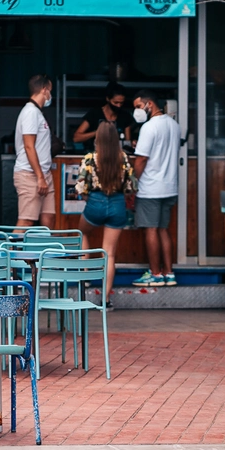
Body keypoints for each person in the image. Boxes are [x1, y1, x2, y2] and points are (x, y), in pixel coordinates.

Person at [76, 122, 136, 310]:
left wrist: (89, 197)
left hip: (95, 203)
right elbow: (131, 187)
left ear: (98, 139)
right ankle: (105, 301)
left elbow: (81, 187)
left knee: (82, 233)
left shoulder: (90, 159)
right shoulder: (123, 158)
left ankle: (84, 280)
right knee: (109, 253)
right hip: (117, 204)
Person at [131, 89, 180, 287]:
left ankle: (155, 274)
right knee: (163, 230)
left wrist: (134, 181)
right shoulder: (174, 125)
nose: (137, 111)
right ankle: (169, 273)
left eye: (138, 106)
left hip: (150, 187)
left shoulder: (149, 127)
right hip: (169, 187)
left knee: (150, 229)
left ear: (149, 104)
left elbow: (141, 158)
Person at [14, 74, 55, 228]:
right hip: (30, 174)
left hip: (44, 174)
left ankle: (42, 251)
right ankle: (10, 251)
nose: (50, 95)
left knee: (48, 220)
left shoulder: (37, 113)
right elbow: (29, 146)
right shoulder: (30, 112)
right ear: (44, 90)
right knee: (26, 221)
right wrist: (39, 177)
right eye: (50, 90)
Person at [73, 82, 133, 151]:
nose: (119, 106)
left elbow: (127, 142)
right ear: (108, 99)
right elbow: (76, 138)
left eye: (121, 103)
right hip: (96, 154)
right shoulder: (94, 114)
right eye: (115, 102)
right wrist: (98, 132)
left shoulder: (125, 116)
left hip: (117, 156)